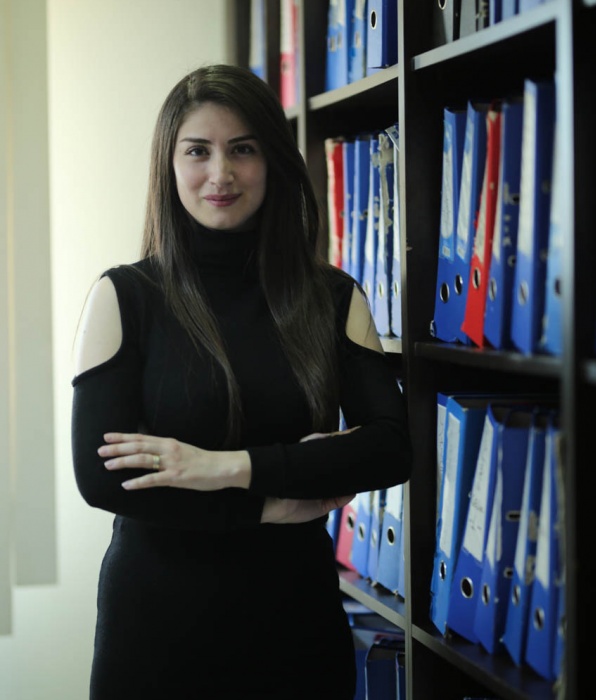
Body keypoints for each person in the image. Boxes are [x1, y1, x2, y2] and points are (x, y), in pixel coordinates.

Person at [71, 63, 412, 700]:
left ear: (272, 160)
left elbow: (391, 448)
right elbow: (102, 478)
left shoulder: (334, 297)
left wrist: (223, 467)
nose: (220, 173)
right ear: (169, 166)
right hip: (157, 631)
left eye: (243, 149)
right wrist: (268, 503)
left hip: (294, 625)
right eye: (198, 151)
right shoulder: (123, 296)